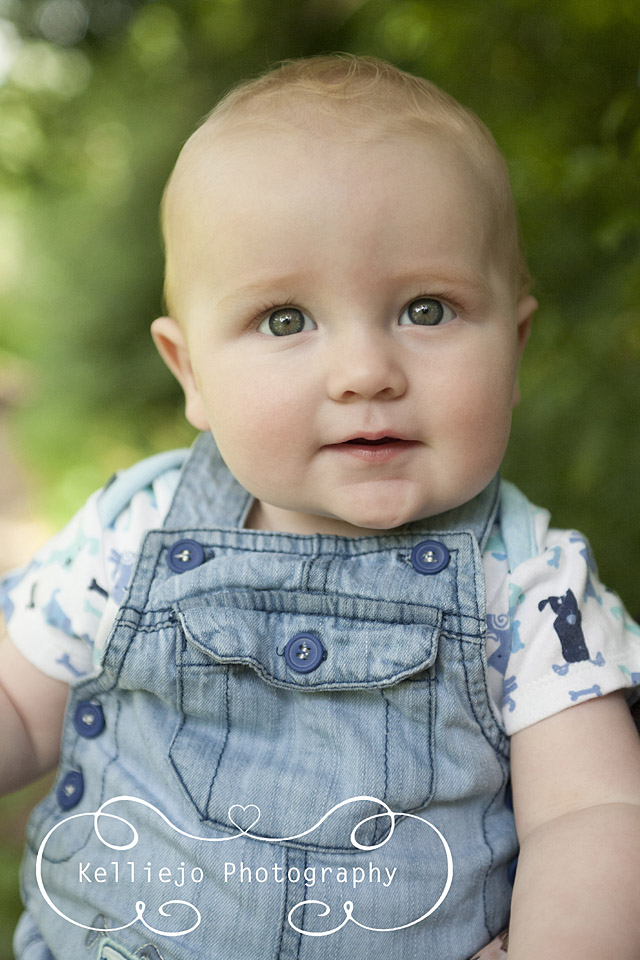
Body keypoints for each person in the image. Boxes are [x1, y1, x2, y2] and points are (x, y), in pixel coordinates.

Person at [1, 53, 639, 960]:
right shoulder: (135, 530)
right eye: (286, 320)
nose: (366, 374)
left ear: (516, 345)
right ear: (191, 374)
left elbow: (594, 811)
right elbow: (19, 706)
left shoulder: (527, 581)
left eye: (426, 309)